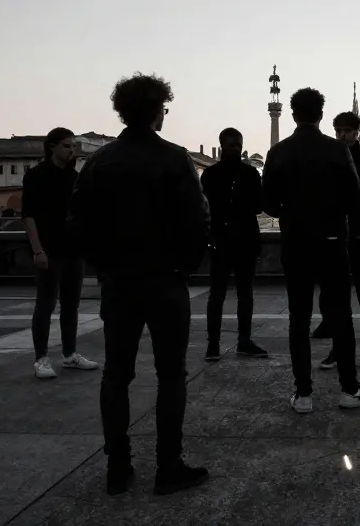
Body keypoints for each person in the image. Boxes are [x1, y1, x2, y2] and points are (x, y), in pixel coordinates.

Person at [68, 73, 211, 496]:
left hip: (120, 283)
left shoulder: (99, 162)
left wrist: (105, 267)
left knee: (116, 374)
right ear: (155, 112)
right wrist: (183, 268)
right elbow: (198, 221)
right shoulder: (175, 158)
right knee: (171, 375)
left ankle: (118, 466)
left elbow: (77, 224)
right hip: (166, 282)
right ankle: (168, 466)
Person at [262, 88, 360, 414]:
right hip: (331, 243)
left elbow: (267, 203)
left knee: (298, 320)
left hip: (295, 243)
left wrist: (292, 213)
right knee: (341, 316)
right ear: (321, 115)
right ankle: (349, 389)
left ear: (293, 114)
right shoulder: (337, 150)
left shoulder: (278, 152)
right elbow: (355, 199)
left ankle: (303, 394)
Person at [23, 127, 98, 379]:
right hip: (49, 250)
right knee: (45, 304)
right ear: (52, 146)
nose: (71, 150)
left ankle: (69, 354)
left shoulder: (74, 177)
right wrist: (38, 250)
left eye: (73, 146)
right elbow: (28, 215)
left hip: (73, 250)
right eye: (67, 145)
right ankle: (41, 359)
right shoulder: (36, 176)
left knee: (70, 305)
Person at [318, 111, 360, 371]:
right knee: (339, 301)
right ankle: (338, 349)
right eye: (338, 130)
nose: (342, 135)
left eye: (347, 130)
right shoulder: (329, 163)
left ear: (357, 132)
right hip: (335, 242)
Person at [200, 127, 268, 361]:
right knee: (220, 295)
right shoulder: (246, 174)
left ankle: (240, 342)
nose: (236, 149)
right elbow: (257, 205)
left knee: (242, 294)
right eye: (232, 145)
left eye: (239, 145)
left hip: (236, 241)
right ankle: (215, 345)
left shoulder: (213, 175)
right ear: (222, 146)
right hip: (230, 241)